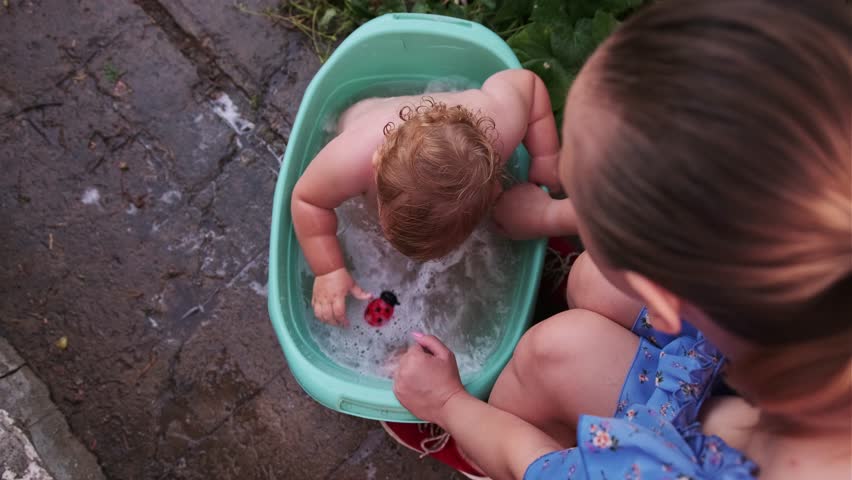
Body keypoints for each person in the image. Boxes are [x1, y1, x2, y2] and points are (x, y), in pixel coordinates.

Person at [389, 1, 852, 479]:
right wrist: (549, 213)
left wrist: (446, 402)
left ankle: (481, 453)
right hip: (747, 400)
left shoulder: (652, 471)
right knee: (591, 282)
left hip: (673, 448)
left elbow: (538, 468)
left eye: (587, 209)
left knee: (547, 354)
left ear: (663, 297)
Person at [291, 69, 576, 326]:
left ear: (492, 187)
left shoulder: (500, 122)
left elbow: (530, 85)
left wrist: (546, 155)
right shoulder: (351, 159)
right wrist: (328, 270)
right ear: (377, 164)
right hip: (358, 121)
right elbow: (307, 200)